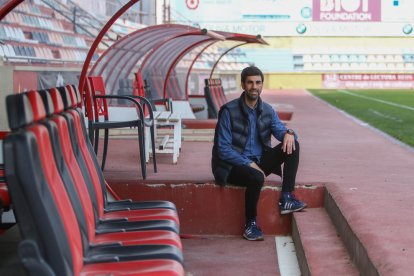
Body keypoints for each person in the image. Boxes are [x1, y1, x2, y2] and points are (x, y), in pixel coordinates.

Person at [211, 66, 307, 241]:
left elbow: (280, 130)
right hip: (231, 166)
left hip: (258, 161)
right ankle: (250, 224)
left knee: (293, 145)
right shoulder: (228, 111)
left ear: (262, 85)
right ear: (243, 84)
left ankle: (286, 197)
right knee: (256, 177)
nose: (254, 86)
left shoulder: (268, 110)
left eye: (257, 82)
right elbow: (223, 149)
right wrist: (248, 163)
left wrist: (290, 134)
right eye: (250, 83)